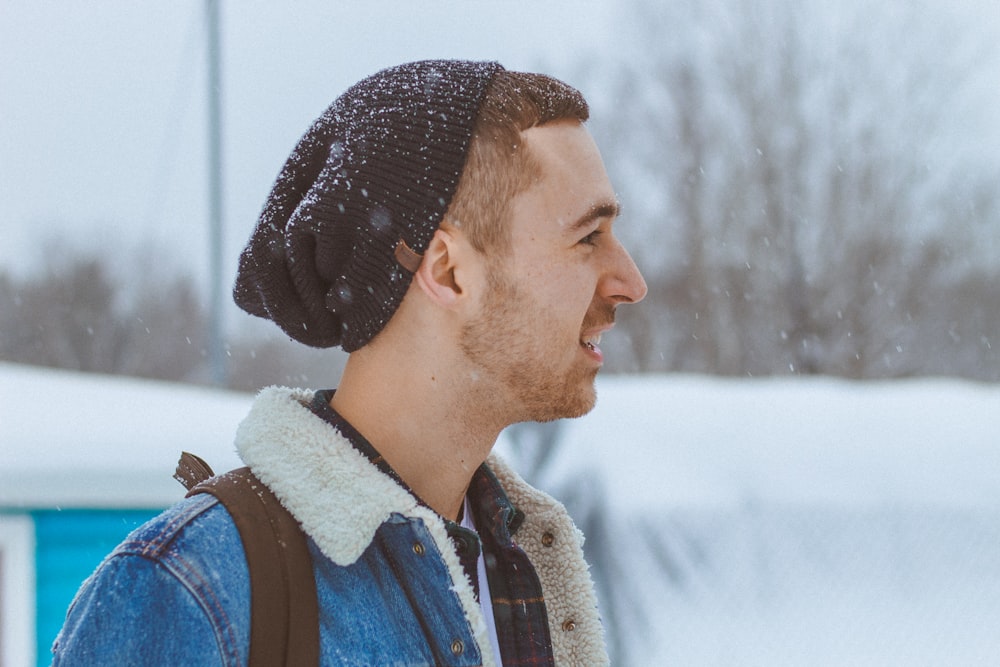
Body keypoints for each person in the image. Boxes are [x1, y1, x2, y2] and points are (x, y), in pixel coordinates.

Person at [52, 59, 646, 666]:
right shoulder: (189, 592)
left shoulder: (531, 565)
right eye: (587, 238)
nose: (631, 281)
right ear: (447, 271)